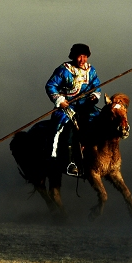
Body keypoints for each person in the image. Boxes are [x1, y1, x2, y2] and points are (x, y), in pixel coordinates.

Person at [45, 43, 101, 176]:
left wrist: (94, 96)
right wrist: (60, 100)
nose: (82, 60)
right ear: (73, 56)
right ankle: (70, 163)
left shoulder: (91, 70)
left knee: (101, 120)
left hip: (86, 106)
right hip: (67, 106)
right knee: (68, 126)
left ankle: (97, 155)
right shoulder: (63, 70)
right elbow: (50, 85)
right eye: (79, 56)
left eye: (85, 56)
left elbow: (96, 85)